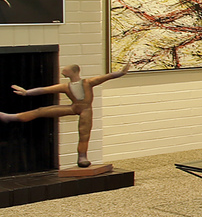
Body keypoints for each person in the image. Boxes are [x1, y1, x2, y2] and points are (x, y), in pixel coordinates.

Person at [2, 62, 131, 168]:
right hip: (73, 107)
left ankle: (82, 156)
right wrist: (26, 92)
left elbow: (107, 76)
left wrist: (121, 73)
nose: (63, 71)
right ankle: (11, 117)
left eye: (66, 70)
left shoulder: (87, 82)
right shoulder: (66, 86)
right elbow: (45, 89)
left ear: (74, 72)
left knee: (84, 134)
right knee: (41, 111)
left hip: (86, 110)